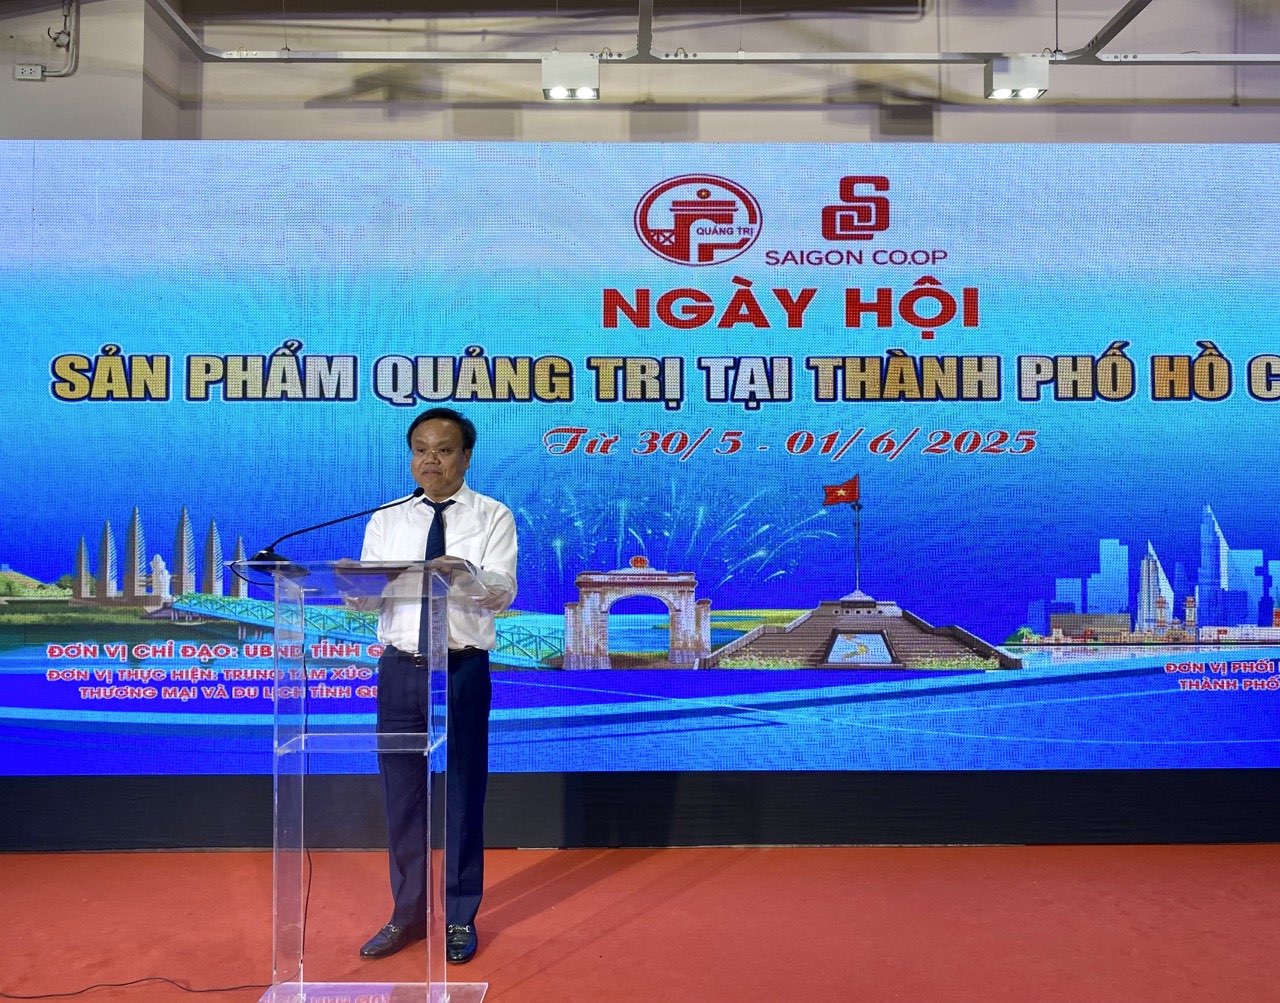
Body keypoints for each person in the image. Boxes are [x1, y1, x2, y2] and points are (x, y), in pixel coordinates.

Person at [356, 407, 517, 966]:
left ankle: (459, 917)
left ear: (466, 457)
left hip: (462, 668)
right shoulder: (387, 518)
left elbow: (502, 592)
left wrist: (464, 574)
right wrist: (357, 587)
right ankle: (406, 915)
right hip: (401, 666)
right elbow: (367, 596)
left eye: (444, 450)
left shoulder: (493, 515)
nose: (431, 460)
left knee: (464, 794)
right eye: (421, 449)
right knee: (402, 796)